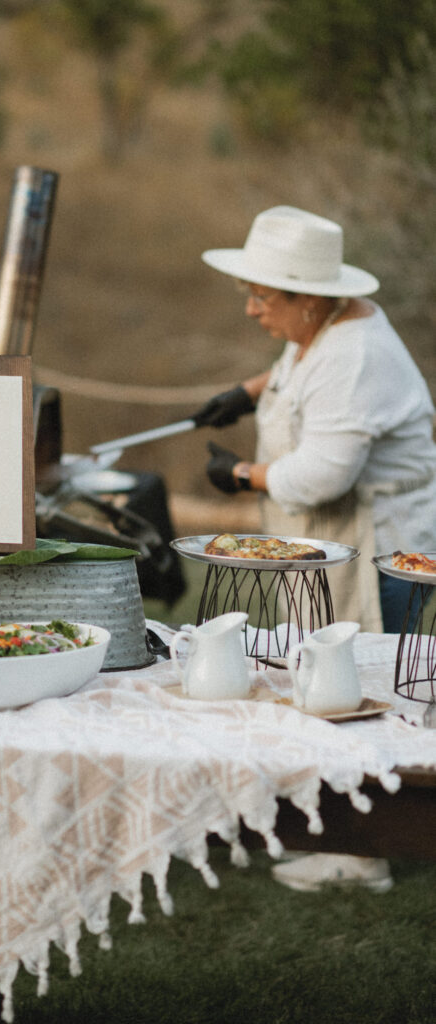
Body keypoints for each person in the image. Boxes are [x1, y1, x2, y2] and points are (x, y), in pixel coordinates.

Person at [195, 205, 436, 892]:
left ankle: (362, 854)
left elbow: (320, 476)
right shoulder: (327, 322)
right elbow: (300, 368)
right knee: (327, 676)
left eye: (262, 296)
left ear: (307, 297)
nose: (249, 309)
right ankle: (330, 824)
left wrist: (240, 475)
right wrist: (245, 393)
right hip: (335, 536)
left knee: (365, 689)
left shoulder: (352, 354)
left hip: (376, 540)